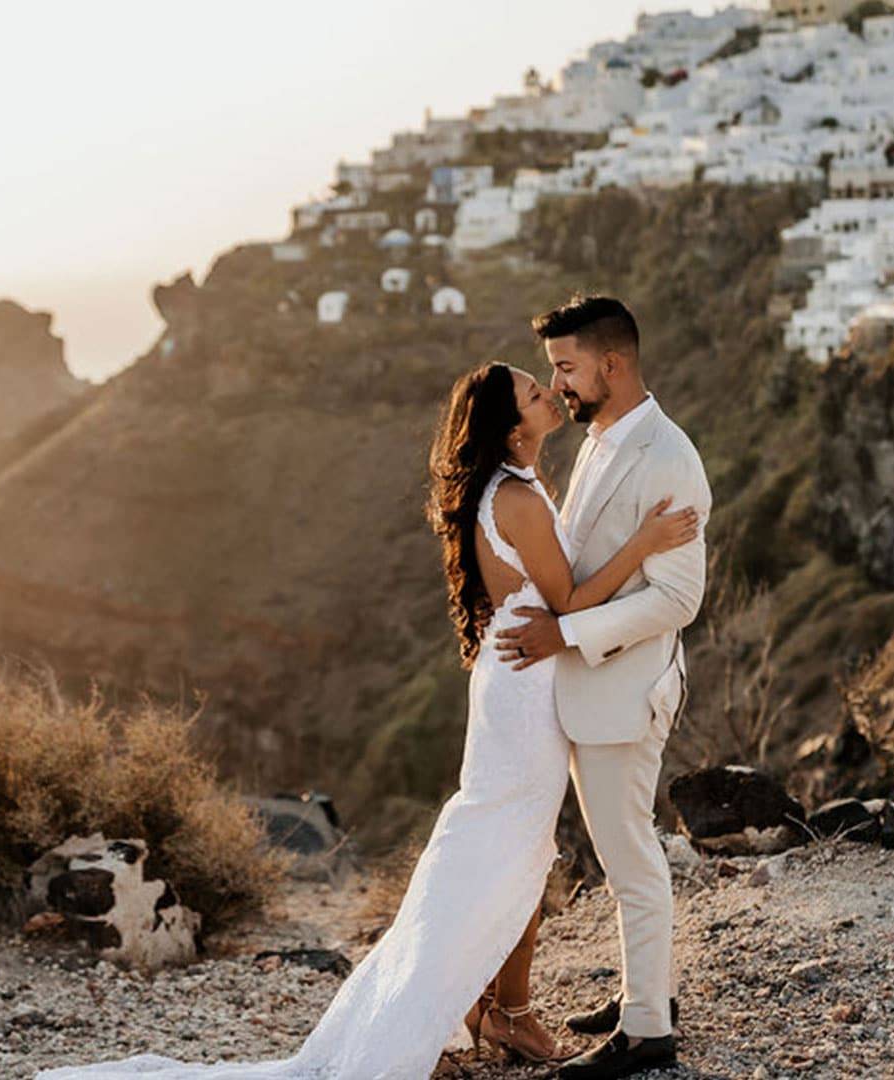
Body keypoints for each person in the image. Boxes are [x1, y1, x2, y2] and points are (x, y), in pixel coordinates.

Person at [36, 343, 699, 1079]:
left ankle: (503, 1009)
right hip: (527, 690)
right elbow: (572, 601)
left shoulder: (513, 484)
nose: (549, 393)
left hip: (521, 681)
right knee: (505, 844)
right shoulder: (514, 497)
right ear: (514, 429)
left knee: (512, 849)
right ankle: (489, 1010)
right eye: (532, 392)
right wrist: (645, 541)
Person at [498, 295, 711, 1079]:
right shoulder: (598, 437)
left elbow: (678, 599)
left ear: (610, 365)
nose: (557, 386)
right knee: (624, 856)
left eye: (566, 367)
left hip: (625, 689)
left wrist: (567, 634)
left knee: (632, 862)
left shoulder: (668, 458)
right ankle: (641, 994)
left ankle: (649, 1031)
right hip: (593, 689)